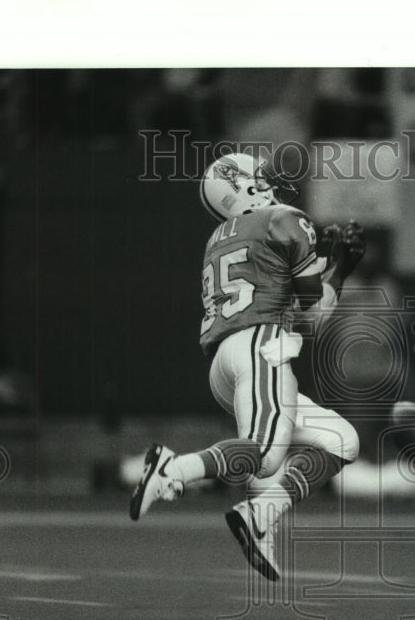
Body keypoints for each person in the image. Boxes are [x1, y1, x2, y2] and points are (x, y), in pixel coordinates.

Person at [129, 153, 365, 581]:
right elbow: (313, 312)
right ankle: (172, 470)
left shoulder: (219, 236)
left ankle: (260, 514)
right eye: (260, 175)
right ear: (242, 184)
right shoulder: (284, 218)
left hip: (227, 360)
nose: (269, 180)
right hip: (262, 346)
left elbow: (288, 299)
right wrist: (341, 269)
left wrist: (333, 269)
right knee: (266, 457)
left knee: (341, 440)